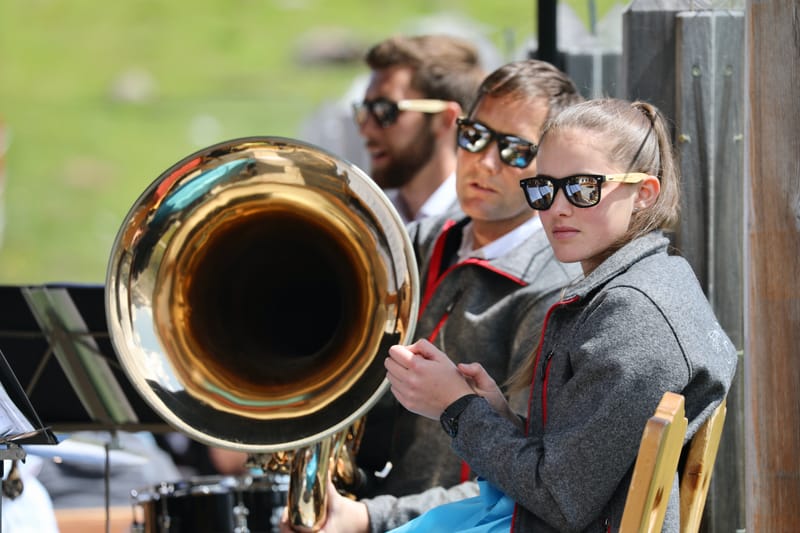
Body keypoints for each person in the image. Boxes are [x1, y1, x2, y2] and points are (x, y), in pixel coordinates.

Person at [304, 97, 739, 533]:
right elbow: (579, 464)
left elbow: (558, 497)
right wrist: (495, 414)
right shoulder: (645, 284)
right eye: (543, 189)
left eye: (583, 188)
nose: (558, 208)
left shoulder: (635, 317)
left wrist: (457, 408)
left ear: (644, 192)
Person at [282, 59, 584, 532]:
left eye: (516, 151)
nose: (484, 162)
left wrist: (368, 518)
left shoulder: (553, 290)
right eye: (475, 136)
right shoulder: (419, 243)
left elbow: (519, 479)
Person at [352, 34, 486, 223]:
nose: (366, 129)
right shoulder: (371, 221)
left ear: (445, 120)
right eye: (364, 110)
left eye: (384, 110)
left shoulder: (481, 225)